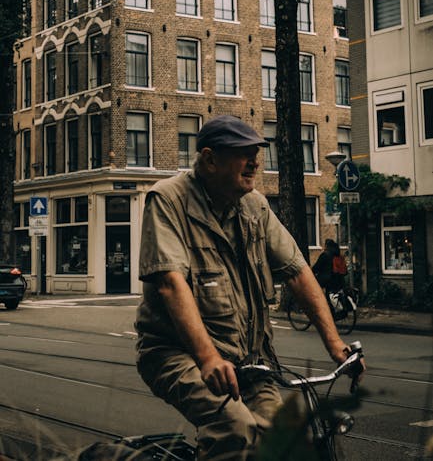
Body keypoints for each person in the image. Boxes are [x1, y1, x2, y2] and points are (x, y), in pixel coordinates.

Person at [135, 116, 361, 461]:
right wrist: (208, 358)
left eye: (257, 152)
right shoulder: (168, 200)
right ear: (210, 160)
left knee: (281, 443)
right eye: (244, 153)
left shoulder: (254, 205)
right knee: (235, 430)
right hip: (178, 354)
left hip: (251, 362)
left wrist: (335, 345)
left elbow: (298, 272)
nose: (256, 162)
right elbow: (170, 283)